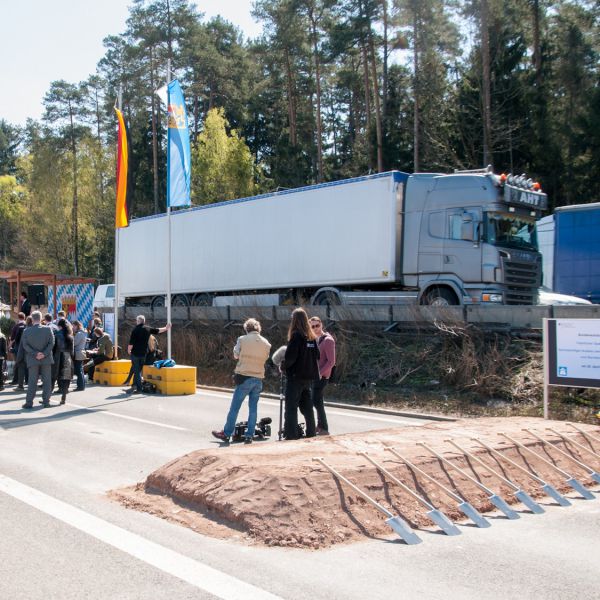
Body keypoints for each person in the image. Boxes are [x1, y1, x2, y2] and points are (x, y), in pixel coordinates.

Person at [212, 318, 271, 444]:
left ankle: (226, 433)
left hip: (244, 378)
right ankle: (249, 435)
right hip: (258, 379)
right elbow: (266, 358)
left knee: (235, 408)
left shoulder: (242, 339)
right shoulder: (266, 343)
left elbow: (236, 355)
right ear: (258, 329)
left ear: (246, 329)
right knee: (253, 409)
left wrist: (236, 350)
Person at [283, 308, 320, 440]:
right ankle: (311, 433)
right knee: (307, 407)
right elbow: (317, 355)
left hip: (296, 377)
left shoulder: (296, 336)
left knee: (291, 407)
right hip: (309, 377)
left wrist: (283, 366)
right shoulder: (311, 337)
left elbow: (290, 358)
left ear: (294, 320)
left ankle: (291, 435)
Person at [126, 315, 171, 394]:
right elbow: (157, 330)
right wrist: (166, 328)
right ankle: (135, 386)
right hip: (143, 354)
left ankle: (138, 389)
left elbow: (131, 343)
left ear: (138, 321)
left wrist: (129, 350)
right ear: (144, 321)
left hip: (135, 354)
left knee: (137, 372)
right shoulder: (147, 328)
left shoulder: (135, 330)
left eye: (137, 321)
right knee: (138, 371)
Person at [21, 310, 54, 409]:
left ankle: (29, 402)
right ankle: (46, 402)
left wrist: (35, 353)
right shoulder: (48, 329)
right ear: (41, 318)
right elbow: (52, 343)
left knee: (32, 381)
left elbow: (25, 345)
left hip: (33, 359)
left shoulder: (26, 331)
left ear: (32, 318)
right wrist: (44, 353)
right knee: (47, 381)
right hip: (46, 358)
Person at [309, 316, 336, 435]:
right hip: (313, 375)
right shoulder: (313, 339)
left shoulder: (328, 340)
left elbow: (331, 361)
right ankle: (321, 426)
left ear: (321, 325)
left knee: (316, 401)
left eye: (317, 325)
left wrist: (320, 374)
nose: (315, 328)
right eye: (312, 326)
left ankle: (323, 427)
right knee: (316, 401)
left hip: (322, 376)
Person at [54, 319, 74, 405]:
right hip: (67, 358)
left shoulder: (57, 335)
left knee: (53, 377)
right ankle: (63, 398)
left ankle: (46, 398)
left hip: (58, 357)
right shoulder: (70, 336)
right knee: (66, 379)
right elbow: (72, 351)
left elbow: (54, 348)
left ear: (60, 326)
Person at [8, 312, 26, 385]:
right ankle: (26, 380)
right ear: (24, 317)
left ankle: (15, 380)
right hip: (27, 348)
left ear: (18, 318)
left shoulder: (16, 326)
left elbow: (12, 338)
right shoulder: (27, 325)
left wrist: (9, 346)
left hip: (18, 347)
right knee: (26, 364)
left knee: (17, 364)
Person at [72, 320, 87, 391]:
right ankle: (82, 386)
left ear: (77, 326)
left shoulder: (79, 334)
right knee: (80, 370)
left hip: (78, 352)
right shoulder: (82, 333)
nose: (72, 327)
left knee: (79, 370)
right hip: (81, 352)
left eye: (73, 326)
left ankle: (80, 386)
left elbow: (74, 343)